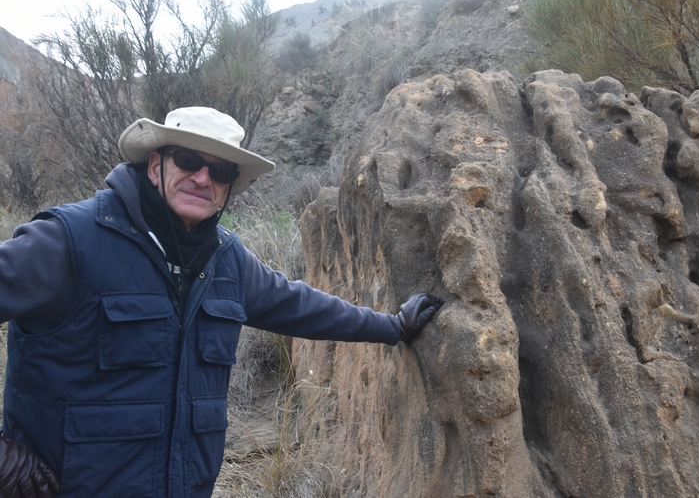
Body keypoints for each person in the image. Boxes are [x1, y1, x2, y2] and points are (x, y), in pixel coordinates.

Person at [0, 107, 443, 498]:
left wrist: (392, 327)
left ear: (230, 188)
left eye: (221, 171)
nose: (202, 178)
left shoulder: (227, 260)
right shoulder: (67, 241)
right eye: (189, 160)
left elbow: (303, 306)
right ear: (155, 165)